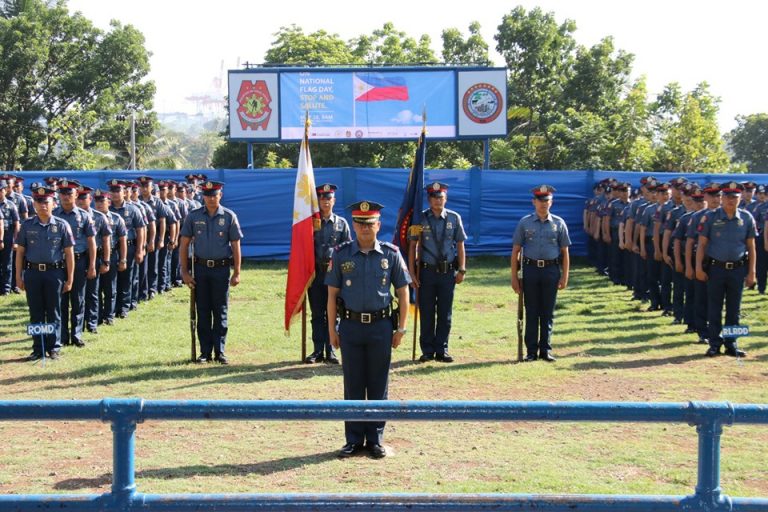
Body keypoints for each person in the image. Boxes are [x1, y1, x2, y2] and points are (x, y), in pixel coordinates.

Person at [326, 200, 410, 459]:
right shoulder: (340, 254)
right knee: (352, 384)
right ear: (353, 225)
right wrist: (332, 330)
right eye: (360, 223)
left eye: (370, 223)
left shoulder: (391, 254)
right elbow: (331, 296)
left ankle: (375, 439)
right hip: (350, 327)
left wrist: (402, 329)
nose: (364, 228)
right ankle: (352, 440)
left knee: (377, 383)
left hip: (381, 327)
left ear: (378, 225)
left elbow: (403, 293)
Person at [180, 180, 242, 365]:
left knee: (220, 310)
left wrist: (237, 271)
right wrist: (184, 271)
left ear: (220, 195)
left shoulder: (229, 216)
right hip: (200, 269)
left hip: (221, 269)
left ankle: (220, 351)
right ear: (203, 197)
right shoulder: (193, 216)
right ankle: (205, 352)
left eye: (214, 195)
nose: (211, 198)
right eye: (207, 195)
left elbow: (236, 246)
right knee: (203, 311)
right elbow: (183, 245)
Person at [408, 181, 467, 363]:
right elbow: (412, 246)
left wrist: (462, 269)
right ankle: (427, 350)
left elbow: (460, 245)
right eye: (434, 197)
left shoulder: (454, 218)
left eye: (440, 197)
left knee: (445, 312)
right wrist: (411, 273)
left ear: (445, 198)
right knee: (426, 311)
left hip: (447, 272)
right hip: (426, 272)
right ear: (428, 199)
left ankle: (442, 349)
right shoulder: (420, 219)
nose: (437, 200)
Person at [695, 182, 756, 358]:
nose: (731, 200)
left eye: (735, 197)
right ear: (721, 198)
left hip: (737, 269)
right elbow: (702, 245)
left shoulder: (746, 218)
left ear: (739, 199)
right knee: (714, 307)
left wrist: (751, 273)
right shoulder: (711, 217)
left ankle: (732, 343)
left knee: (734, 309)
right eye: (728, 197)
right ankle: (714, 343)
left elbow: (751, 248)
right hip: (716, 269)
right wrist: (698, 267)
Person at [511, 185, 571, 362]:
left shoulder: (559, 223)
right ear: (534, 202)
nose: (543, 204)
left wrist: (564, 275)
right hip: (530, 270)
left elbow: (565, 252)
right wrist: (514, 277)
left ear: (551, 202)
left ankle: (545, 349)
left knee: (547, 311)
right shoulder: (525, 222)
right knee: (532, 310)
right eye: (540, 200)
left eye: (547, 201)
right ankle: (531, 351)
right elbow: (515, 251)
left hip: (551, 271)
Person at [15, 184, 74, 360]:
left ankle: (54, 347)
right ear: (33, 203)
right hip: (33, 273)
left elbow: (69, 254)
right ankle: (38, 347)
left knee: (54, 310)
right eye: (39, 202)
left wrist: (70, 278)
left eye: (46, 202)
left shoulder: (62, 225)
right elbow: (20, 253)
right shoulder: (26, 226)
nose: (42, 205)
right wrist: (18, 276)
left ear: (53, 203)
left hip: (54, 274)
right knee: (36, 311)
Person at [305, 183, 351, 364]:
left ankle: (331, 349)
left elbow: (348, 249)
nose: (325, 202)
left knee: (334, 313)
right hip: (315, 273)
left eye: (329, 198)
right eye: (322, 199)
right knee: (317, 313)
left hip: (334, 275)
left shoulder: (341, 223)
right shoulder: (309, 223)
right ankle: (317, 350)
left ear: (334, 201)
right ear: (318, 201)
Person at [53, 179, 97, 347]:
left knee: (78, 299)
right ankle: (62, 336)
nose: (65, 197)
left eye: (69, 193)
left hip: (79, 261)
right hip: (59, 263)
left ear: (76, 195)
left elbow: (92, 242)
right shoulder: (54, 215)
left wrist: (92, 264)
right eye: (62, 193)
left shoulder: (84, 216)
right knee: (61, 300)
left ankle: (77, 335)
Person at [75, 185, 112, 334]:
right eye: (79, 198)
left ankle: (92, 322)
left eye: (84, 198)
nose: (81, 201)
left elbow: (106, 240)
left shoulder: (99, 217)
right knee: (77, 294)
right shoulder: (68, 216)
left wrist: (106, 261)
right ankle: (79, 324)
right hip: (76, 258)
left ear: (89, 199)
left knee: (92, 292)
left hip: (94, 257)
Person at [94, 189, 127, 326]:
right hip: (95, 255)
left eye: (102, 201)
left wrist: (123, 259)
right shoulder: (91, 217)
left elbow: (123, 240)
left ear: (108, 202)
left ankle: (109, 315)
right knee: (96, 289)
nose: (99, 204)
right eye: (97, 201)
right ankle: (97, 315)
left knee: (109, 288)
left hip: (111, 255)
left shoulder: (116, 218)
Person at [0, 180, 20, 295]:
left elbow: (17, 223)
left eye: (1, 190)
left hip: (8, 235)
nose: (0, 193)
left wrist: (16, 240)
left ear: (5, 190)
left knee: (7, 263)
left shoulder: (11, 205)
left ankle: (6, 288)